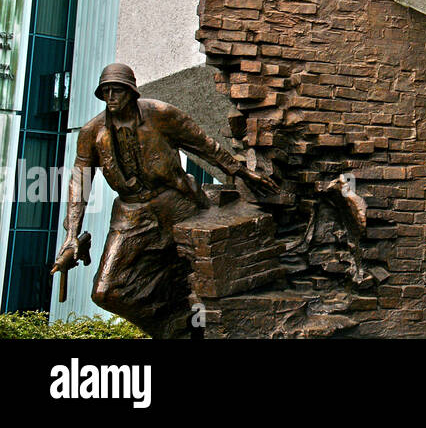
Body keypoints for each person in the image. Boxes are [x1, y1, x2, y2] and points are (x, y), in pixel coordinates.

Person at [51, 63, 275, 337]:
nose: (110, 97)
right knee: (105, 291)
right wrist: (72, 233)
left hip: (177, 203)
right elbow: (79, 181)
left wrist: (240, 171)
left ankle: (201, 324)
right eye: (105, 91)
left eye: (117, 91)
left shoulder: (160, 114)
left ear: (131, 92)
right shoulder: (92, 133)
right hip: (131, 213)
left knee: (199, 274)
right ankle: (175, 325)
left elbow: (203, 145)